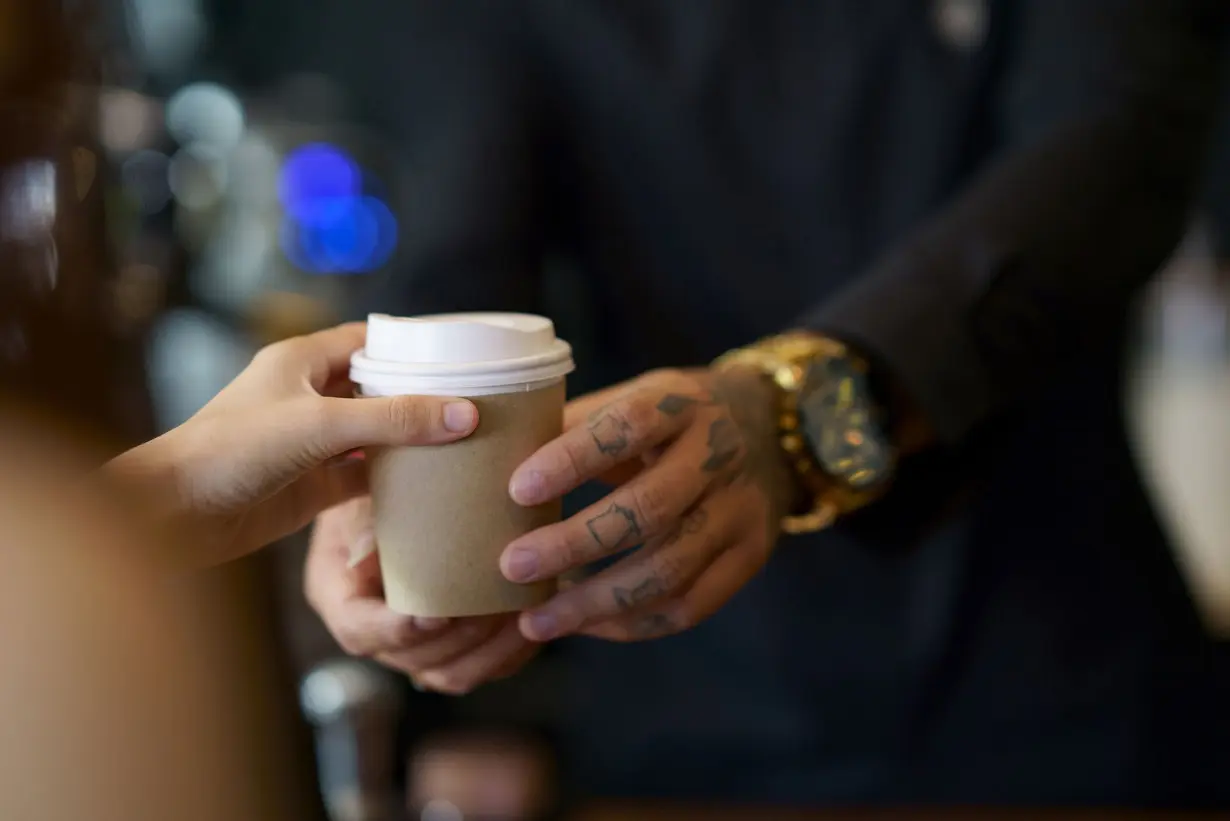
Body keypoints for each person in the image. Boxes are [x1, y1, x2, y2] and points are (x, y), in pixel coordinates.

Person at [303, 0, 1230, 806]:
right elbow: (456, 262)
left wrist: (796, 417)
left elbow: (1114, 142)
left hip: (1061, 672)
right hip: (683, 685)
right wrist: (400, 522)